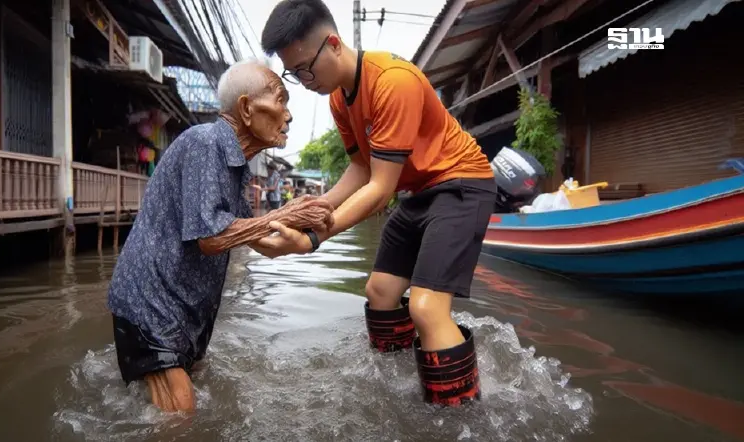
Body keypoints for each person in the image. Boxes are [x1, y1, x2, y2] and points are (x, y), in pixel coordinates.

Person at [258, 0, 497, 407]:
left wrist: (312, 239)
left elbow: (380, 189)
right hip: (418, 191)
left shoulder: (392, 80)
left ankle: (459, 416)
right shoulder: (339, 97)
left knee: (425, 308)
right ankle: (402, 388)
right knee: (380, 290)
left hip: (461, 184)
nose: (303, 80)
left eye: (304, 69)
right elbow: (359, 168)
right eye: (293, 74)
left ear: (333, 43)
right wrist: (306, 212)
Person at [107, 58, 334, 413]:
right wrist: (284, 213)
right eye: (281, 100)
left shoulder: (233, 165)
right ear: (246, 108)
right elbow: (211, 238)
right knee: (182, 416)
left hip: (184, 309)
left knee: (181, 404)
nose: (288, 115)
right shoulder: (206, 142)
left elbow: (255, 239)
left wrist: (303, 234)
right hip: (151, 304)